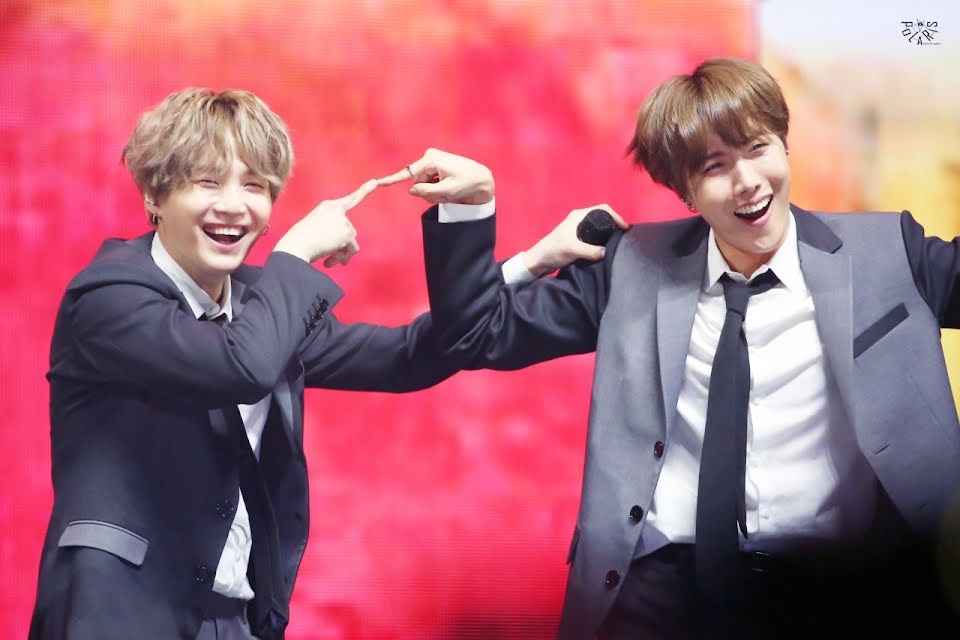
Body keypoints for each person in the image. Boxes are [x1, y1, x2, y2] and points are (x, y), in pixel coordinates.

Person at [387, 58, 960, 638]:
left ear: (785, 146)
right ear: (685, 191)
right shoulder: (632, 265)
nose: (747, 181)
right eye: (715, 166)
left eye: (758, 148)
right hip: (660, 593)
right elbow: (473, 333)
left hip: (832, 587)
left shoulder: (889, 252)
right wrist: (483, 217)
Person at [27, 90, 579, 640]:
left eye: (254, 186)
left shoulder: (258, 305)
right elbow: (240, 367)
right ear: (154, 194)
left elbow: (406, 358)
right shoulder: (108, 294)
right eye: (208, 181)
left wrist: (524, 259)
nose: (234, 205)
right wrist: (294, 255)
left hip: (234, 616)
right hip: (119, 613)